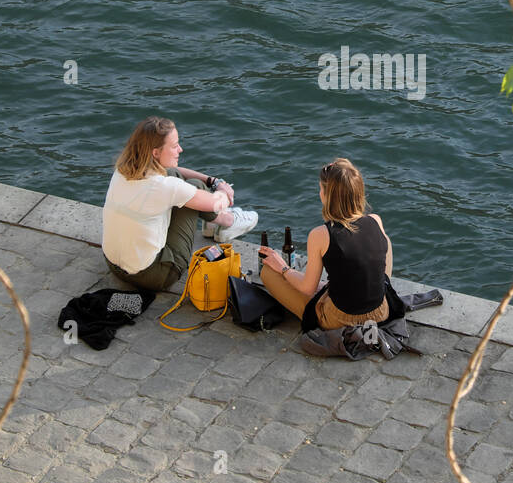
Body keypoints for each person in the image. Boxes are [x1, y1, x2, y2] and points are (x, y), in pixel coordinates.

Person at [101, 116, 258, 291]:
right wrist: (223, 189)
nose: (180, 150)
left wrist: (213, 181)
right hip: (154, 276)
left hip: (114, 266)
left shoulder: (122, 170)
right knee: (195, 188)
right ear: (155, 152)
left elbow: (174, 172)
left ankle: (213, 225)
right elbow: (216, 203)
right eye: (175, 146)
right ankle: (228, 223)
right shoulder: (163, 187)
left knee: (183, 183)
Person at [258, 157, 392, 331]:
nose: (319, 193)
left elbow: (307, 289)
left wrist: (283, 268)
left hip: (340, 319)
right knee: (384, 240)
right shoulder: (376, 220)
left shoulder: (320, 234)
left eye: (321, 189)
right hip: (381, 312)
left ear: (328, 196)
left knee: (268, 272)